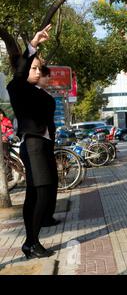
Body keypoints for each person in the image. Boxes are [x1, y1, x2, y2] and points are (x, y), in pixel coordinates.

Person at [7, 24, 57, 259]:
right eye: (34, 68)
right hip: (33, 145)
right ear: (24, 69)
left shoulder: (39, 92)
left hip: (44, 145)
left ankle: (31, 242)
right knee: (42, 193)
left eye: (40, 68)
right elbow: (20, 72)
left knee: (37, 194)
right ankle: (31, 242)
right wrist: (33, 44)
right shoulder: (18, 89)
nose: (38, 72)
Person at [37, 65, 61, 227]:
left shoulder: (44, 93)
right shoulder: (34, 93)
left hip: (48, 141)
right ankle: (44, 217)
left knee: (52, 180)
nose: (48, 78)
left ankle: (48, 216)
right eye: (45, 76)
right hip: (40, 142)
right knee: (45, 183)